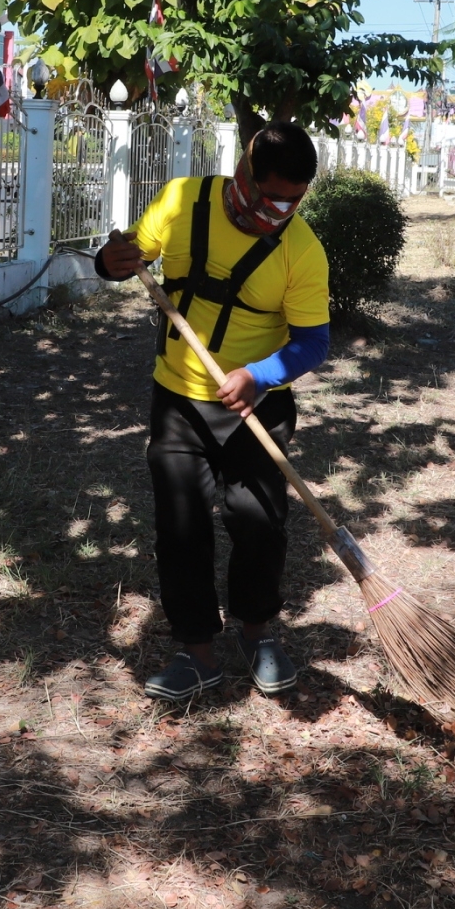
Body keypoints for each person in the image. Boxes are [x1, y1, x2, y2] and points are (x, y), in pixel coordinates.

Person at [95, 123, 330, 701]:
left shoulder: (302, 250)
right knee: (181, 526)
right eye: (271, 198)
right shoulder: (182, 201)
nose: (280, 213)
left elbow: (312, 343)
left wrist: (260, 376)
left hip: (257, 407)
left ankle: (258, 633)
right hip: (178, 396)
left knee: (259, 522)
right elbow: (125, 259)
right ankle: (197, 651)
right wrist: (111, 260)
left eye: (294, 202)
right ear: (243, 178)